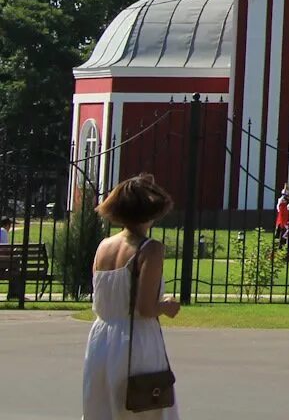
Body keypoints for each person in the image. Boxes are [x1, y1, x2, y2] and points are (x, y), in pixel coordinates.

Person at [82, 173, 181, 420]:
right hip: (136, 339)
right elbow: (146, 308)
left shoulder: (104, 246)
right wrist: (166, 305)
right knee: (145, 407)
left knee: (102, 408)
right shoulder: (150, 249)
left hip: (101, 339)